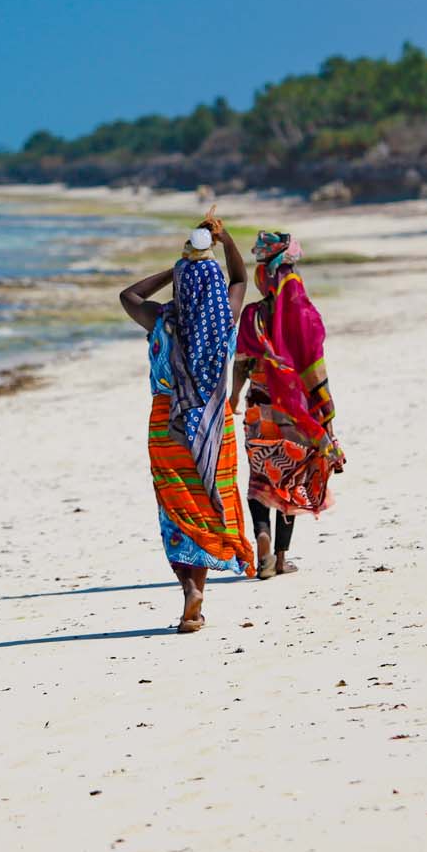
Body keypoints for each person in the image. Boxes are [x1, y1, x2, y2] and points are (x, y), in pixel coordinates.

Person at [117, 216, 253, 632]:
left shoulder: (161, 320)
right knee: (211, 508)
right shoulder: (225, 320)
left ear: (181, 282)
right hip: (215, 427)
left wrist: (178, 266)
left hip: (167, 427)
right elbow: (240, 277)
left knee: (177, 512)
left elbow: (128, 294)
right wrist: (223, 239)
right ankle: (199, 590)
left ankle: (189, 592)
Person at [229, 231, 344, 579]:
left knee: (260, 477)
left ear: (263, 276)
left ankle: (261, 538)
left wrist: (234, 396)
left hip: (259, 406)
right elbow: (315, 371)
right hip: (297, 412)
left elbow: (242, 362)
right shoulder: (305, 315)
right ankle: (279, 558)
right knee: (290, 476)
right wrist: (327, 420)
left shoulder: (252, 315)